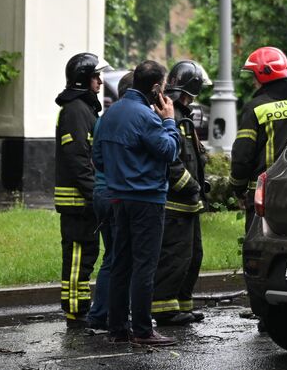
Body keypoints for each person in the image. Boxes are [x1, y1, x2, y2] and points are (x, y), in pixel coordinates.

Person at [94, 60, 182, 347]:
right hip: (147, 199)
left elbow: (98, 158)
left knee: (121, 263)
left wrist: (121, 174)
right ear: (156, 88)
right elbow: (169, 151)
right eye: (164, 85)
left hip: (118, 198)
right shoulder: (147, 117)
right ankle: (143, 330)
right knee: (145, 265)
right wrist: (169, 120)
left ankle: (118, 328)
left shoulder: (111, 113)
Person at [230, 47, 287, 233]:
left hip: (266, 192)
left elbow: (242, 156)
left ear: (264, 74)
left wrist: (237, 188)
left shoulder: (256, 108)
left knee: (261, 243)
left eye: (254, 75)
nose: (253, 82)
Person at [151, 60, 210, 326]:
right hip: (175, 204)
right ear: (192, 88)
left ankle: (183, 305)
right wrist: (191, 185)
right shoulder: (171, 116)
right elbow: (170, 161)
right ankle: (164, 309)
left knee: (192, 256)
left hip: (189, 204)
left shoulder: (181, 115)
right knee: (174, 257)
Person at [54, 52, 107, 328]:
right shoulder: (75, 110)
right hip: (77, 201)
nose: (100, 81)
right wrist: (93, 192)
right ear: (83, 79)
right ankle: (76, 311)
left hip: (84, 199)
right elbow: (77, 157)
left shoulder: (83, 109)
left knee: (86, 255)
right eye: (96, 76)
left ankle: (80, 308)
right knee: (77, 256)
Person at [85, 69, 134, 334]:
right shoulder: (130, 117)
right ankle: (106, 314)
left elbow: (96, 158)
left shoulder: (105, 118)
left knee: (111, 255)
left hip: (101, 192)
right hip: (116, 194)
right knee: (119, 257)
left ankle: (102, 313)